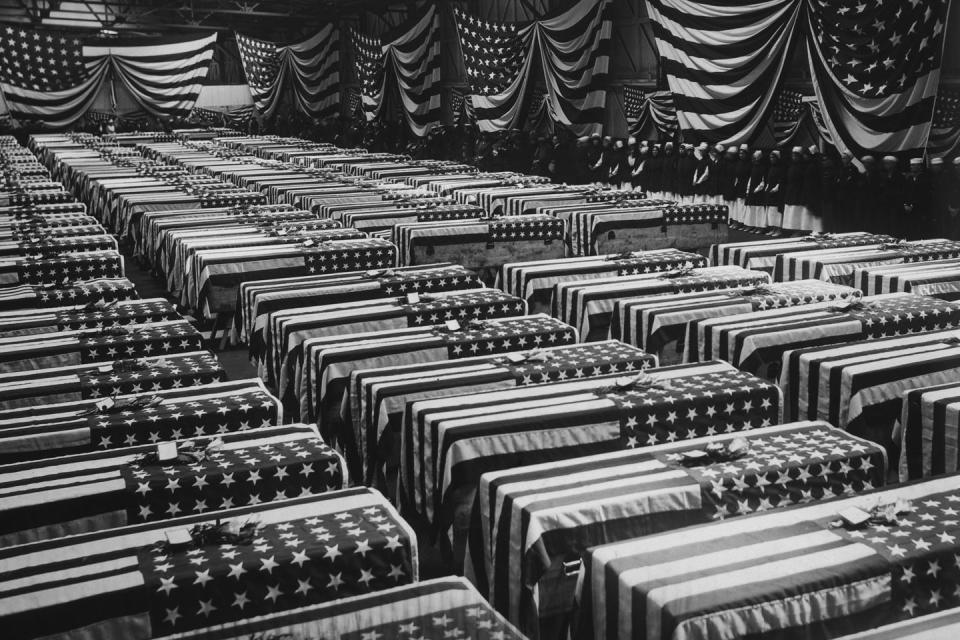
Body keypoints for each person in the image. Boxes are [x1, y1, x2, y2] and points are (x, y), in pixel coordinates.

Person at [902, 158, 932, 239]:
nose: (911, 167)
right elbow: (905, 193)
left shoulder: (925, 179)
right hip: (908, 210)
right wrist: (905, 204)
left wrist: (912, 205)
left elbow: (924, 195)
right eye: (911, 165)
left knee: (920, 232)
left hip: (920, 210)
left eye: (913, 165)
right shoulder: (909, 179)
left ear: (919, 166)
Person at [782, 146, 807, 234]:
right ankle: (792, 229)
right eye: (793, 155)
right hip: (791, 191)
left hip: (799, 193)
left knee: (797, 212)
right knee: (791, 212)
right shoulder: (791, 166)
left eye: (796, 156)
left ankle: (799, 230)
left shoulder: (803, 166)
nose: (794, 157)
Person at [879, 155, 906, 236]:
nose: (886, 165)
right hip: (884, 204)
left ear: (894, 164)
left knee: (895, 224)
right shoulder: (882, 175)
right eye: (885, 163)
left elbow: (902, 190)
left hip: (895, 204)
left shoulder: (899, 175)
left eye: (888, 163)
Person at [763, 149, 785, 235]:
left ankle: (778, 229)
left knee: (776, 212)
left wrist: (776, 188)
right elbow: (769, 179)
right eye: (770, 157)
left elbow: (781, 180)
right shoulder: (771, 167)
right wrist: (767, 187)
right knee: (771, 212)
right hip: (770, 192)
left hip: (777, 194)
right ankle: (772, 228)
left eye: (773, 157)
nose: (771, 159)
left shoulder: (781, 168)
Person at [744, 149, 767, 230]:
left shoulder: (763, 168)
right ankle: (752, 225)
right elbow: (750, 179)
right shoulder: (753, 167)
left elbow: (763, 182)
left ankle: (760, 227)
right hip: (752, 192)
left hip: (759, 193)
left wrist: (756, 190)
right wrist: (748, 190)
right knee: (752, 210)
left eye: (753, 158)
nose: (752, 160)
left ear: (758, 158)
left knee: (759, 210)